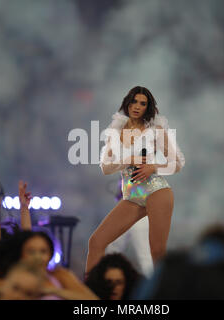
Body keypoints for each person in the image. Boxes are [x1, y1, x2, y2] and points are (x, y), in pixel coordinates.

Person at [86, 86, 185, 275]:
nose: (137, 106)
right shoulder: (115, 131)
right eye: (134, 101)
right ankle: (90, 293)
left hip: (157, 191)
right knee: (96, 242)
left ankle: (162, 298)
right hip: (132, 196)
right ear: (127, 102)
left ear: (148, 107)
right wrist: (128, 160)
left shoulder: (155, 130)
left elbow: (177, 164)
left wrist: (154, 166)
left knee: (157, 252)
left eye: (143, 103)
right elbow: (105, 167)